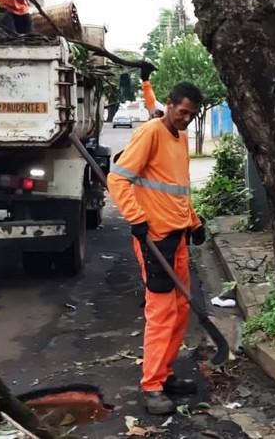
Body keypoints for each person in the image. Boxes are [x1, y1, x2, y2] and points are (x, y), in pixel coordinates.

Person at [108, 82, 206, 415]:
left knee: (180, 310)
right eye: (183, 112)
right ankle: (151, 386)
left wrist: (194, 221)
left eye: (192, 115)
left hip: (177, 237)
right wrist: (135, 219)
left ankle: (165, 375)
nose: (187, 120)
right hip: (155, 240)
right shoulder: (151, 133)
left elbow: (178, 187)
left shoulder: (180, 139)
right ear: (169, 104)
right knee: (161, 313)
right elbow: (118, 179)